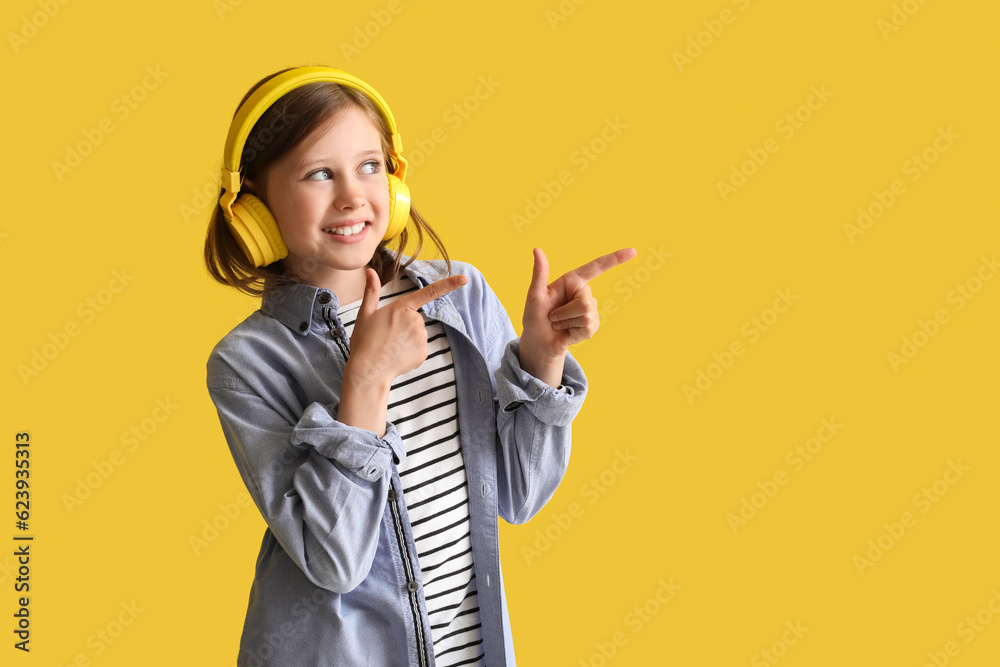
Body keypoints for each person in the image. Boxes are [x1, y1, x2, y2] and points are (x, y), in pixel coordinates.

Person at [203, 65, 635, 666]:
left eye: (370, 166)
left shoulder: (462, 296)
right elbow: (334, 559)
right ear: (254, 206)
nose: (353, 195)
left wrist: (541, 358)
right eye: (319, 173)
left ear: (396, 181)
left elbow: (520, 494)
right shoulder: (248, 362)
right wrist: (365, 383)